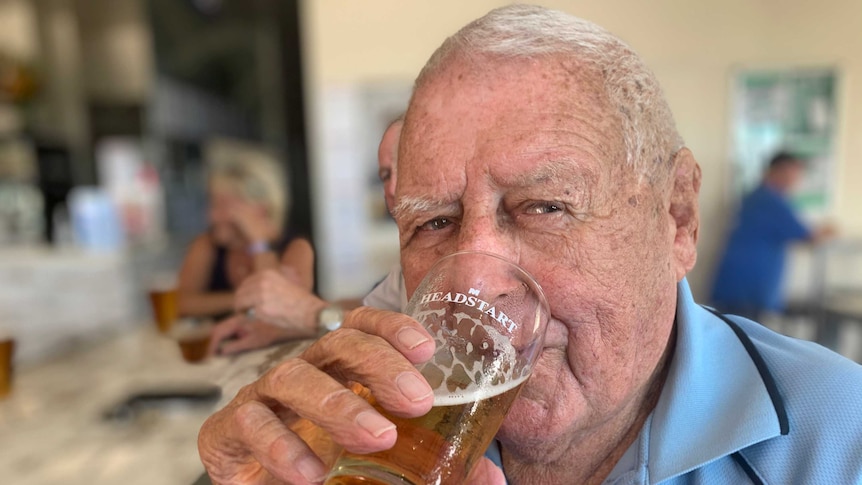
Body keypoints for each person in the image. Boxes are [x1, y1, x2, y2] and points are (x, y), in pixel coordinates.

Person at [197, 6, 862, 484]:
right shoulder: (373, 431)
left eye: (545, 206)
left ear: (678, 216)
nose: (476, 284)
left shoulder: (841, 439)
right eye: (433, 223)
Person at [207, 118, 406, 355]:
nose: (392, 189)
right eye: (385, 176)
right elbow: (368, 311)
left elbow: (269, 302)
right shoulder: (401, 273)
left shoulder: (295, 244)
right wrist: (288, 327)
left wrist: (308, 313)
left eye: (405, 170)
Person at [177, 152, 314, 319]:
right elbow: (181, 304)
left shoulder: (296, 247)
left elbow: (281, 307)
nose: (211, 216)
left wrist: (259, 243)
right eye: (212, 204)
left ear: (261, 207)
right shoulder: (206, 244)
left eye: (224, 205)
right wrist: (243, 298)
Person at [710, 152, 836, 320]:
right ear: (779, 171)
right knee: (745, 338)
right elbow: (808, 236)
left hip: (738, 285)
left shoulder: (754, 196)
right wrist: (830, 230)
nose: (796, 181)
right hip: (749, 288)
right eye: (794, 174)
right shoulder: (770, 201)